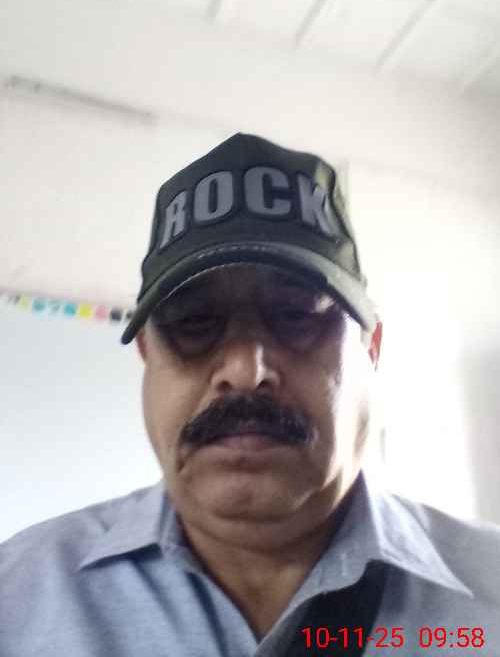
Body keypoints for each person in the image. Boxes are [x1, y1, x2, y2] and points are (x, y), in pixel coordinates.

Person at [1, 133, 499, 657]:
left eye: (296, 315)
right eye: (194, 322)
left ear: (370, 347)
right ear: (147, 354)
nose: (244, 371)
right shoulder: (17, 600)